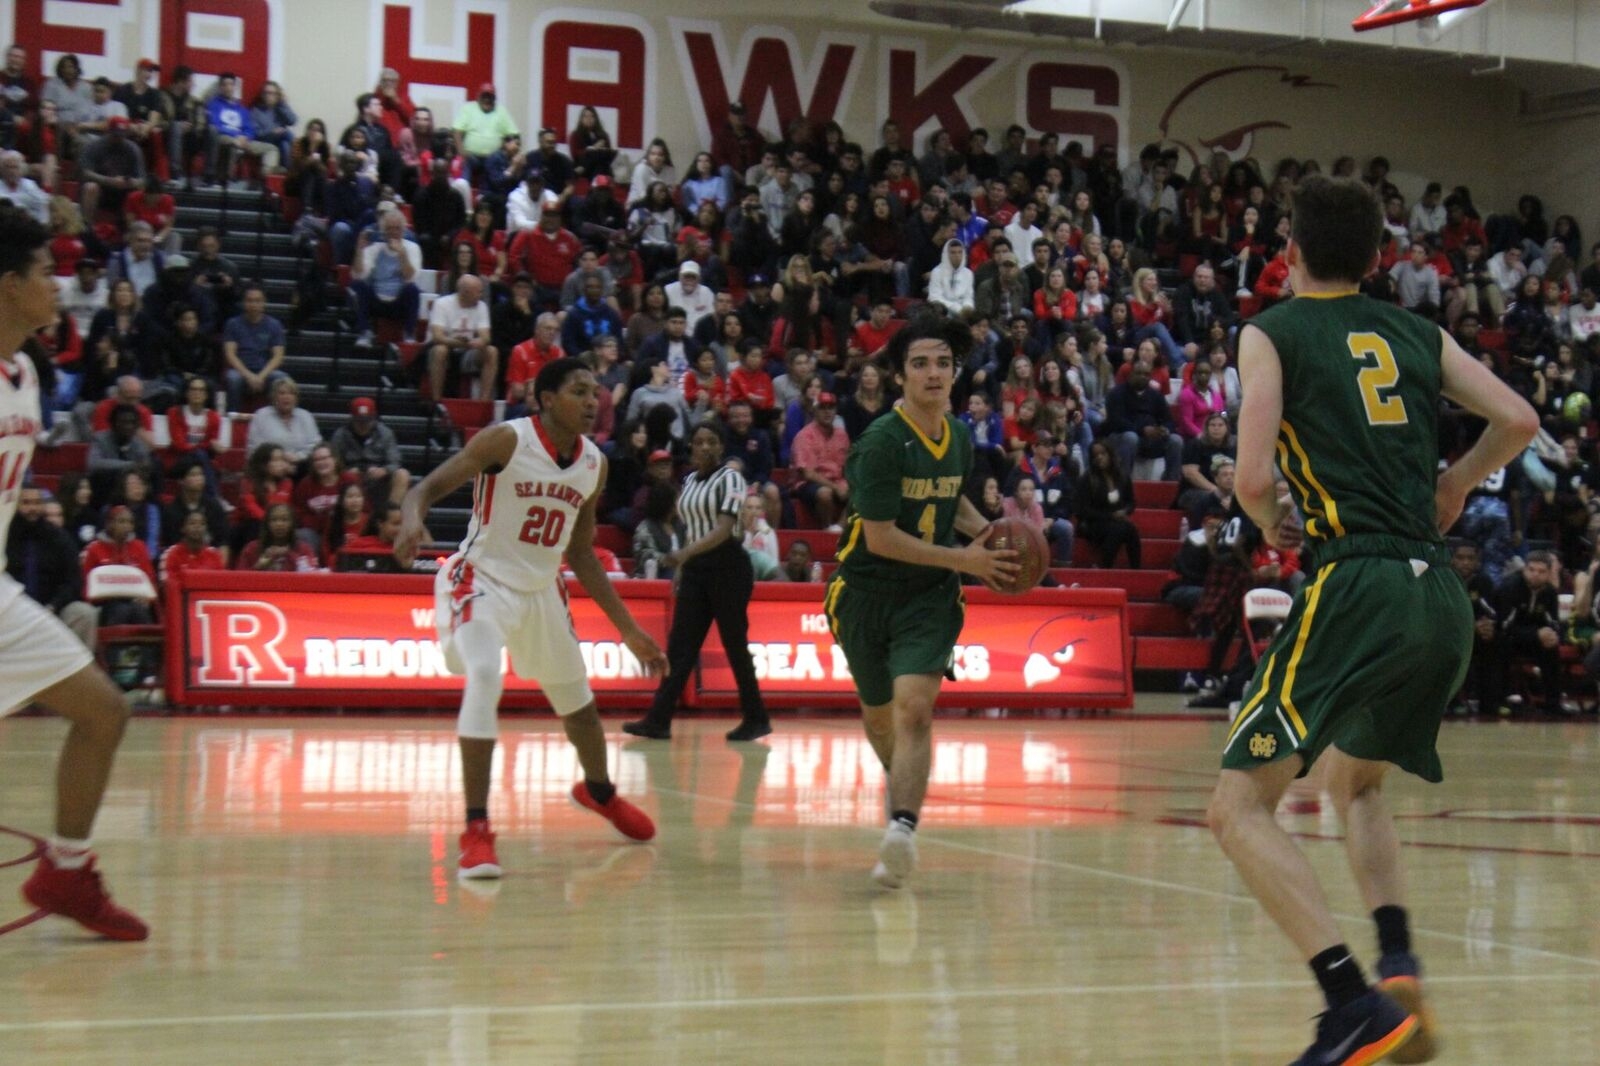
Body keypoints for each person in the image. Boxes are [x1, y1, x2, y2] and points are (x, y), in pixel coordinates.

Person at [1205, 175, 1538, 1064]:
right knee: (1356, 783)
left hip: (1356, 582)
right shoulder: (1418, 331)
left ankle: (1353, 1006)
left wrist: (1268, 515)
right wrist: (1456, 482)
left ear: (1289, 250)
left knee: (1238, 809)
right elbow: (1518, 418)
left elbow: (1251, 477)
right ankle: (1398, 965)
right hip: (1438, 597)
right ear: (1379, 256)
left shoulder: (1271, 331)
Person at [396, 357, 669, 879]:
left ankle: (599, 791)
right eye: (579, 391)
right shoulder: (507, 440)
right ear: (546, 399)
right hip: (481, 580)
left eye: (595, 392)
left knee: (579, 708)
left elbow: (582, 552)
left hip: (543, 590)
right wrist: (411, 519)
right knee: (484, 674)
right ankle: (476, 830)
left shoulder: (594, 464)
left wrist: (628, 629)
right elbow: (422, 489)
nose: (592, 401)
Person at [821, 314, 1018, 890]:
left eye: (943, 363)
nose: (933, 373)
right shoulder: (881, 443)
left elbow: (950, 500)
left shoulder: (958, 436)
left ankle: (902, 828)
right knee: (881, 719)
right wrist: (965, 559)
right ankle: (901, 794)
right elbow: (881, 538)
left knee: (915, 709)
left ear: (956, 373)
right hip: (864, 593)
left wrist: (989, 534)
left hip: (928, 597)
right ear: (900, 375)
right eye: (920, 363)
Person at [0, 219, 148, 941]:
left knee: (104, 710)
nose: (57, 285)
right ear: (9, 286)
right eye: (44, 271)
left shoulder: (26, 373)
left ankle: (66, 869)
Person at [623, 422, 771, 741]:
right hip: (695, 568)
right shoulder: (689, 480)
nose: (705, 447)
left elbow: (723, 529)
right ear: (690, 447)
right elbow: (690, 529)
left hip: (727, 565)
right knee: (680, 646)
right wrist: (683, 567)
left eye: (711, 441)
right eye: (699, 441)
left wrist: (684, 554)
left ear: (721, 447)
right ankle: (658, 720)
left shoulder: (731, 478)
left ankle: (756, 717)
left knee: (734, 644)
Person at [7, 486, 96, 650]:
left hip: (52, 609)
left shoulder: (59, 537)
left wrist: (53, 605)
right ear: (15, 505)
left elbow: (73, 581)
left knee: (84, 613)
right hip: (11, 611)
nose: (32, 508)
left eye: (37, 503)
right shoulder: (4, 536)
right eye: (26, 503)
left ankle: (75, 666)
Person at [425, 273, 498, 404]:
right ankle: (436, 400)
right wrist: (456, 342)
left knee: (492, 351)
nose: (481, 295)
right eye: (478, 292)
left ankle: (483, 402)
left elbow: (486, 337)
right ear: (466, 292)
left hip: (468, 350)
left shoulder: (481, 306)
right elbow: (437, 336)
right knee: (440, 350)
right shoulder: (442, 304)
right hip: (447, 347)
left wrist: (479, 341)